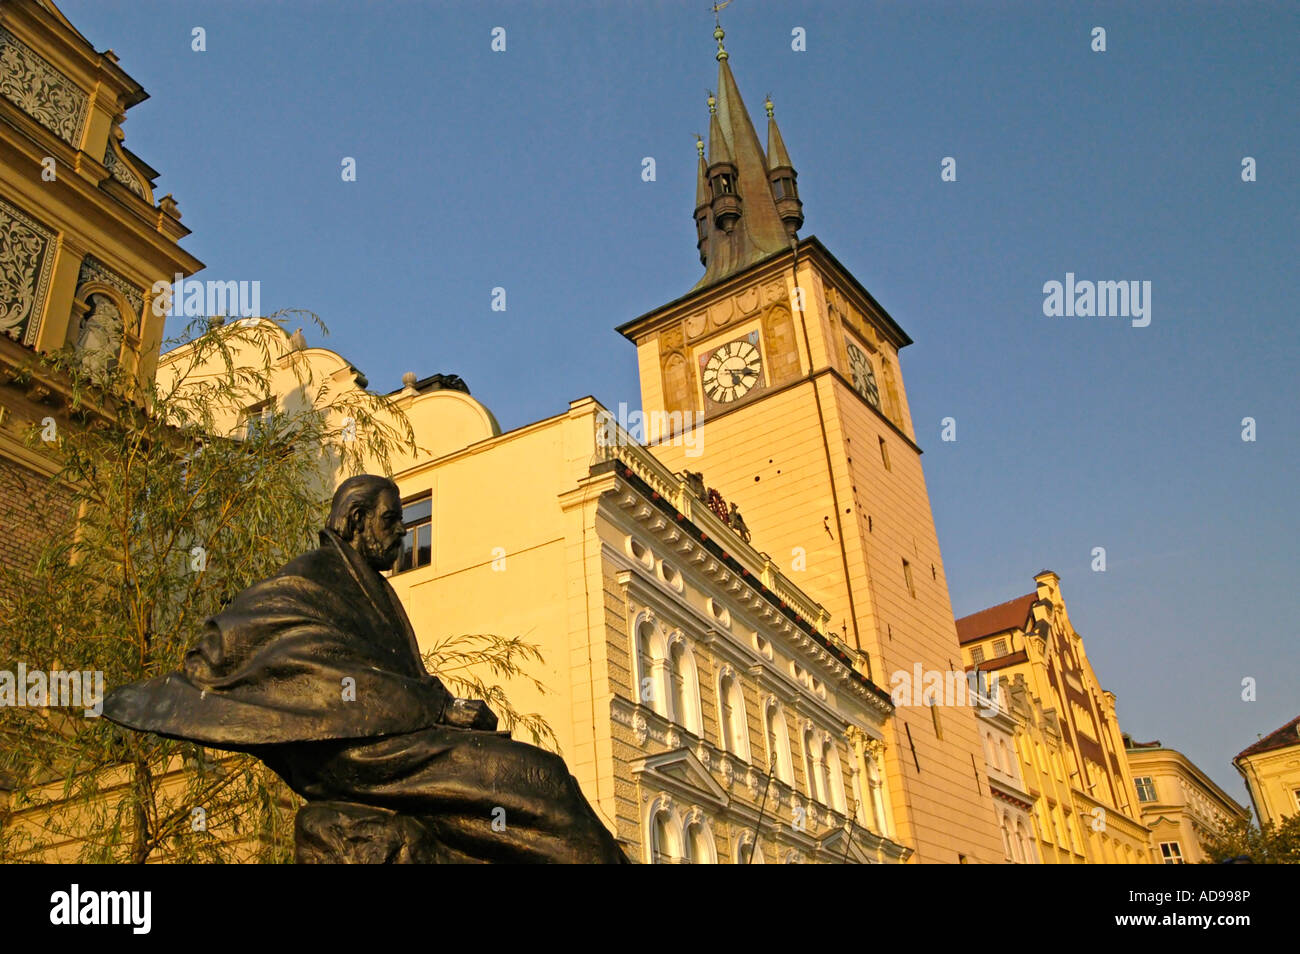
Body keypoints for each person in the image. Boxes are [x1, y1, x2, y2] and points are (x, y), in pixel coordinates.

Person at [103, 474, 627, 863]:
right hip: (353, 747)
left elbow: (393, 675)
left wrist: (449, 707)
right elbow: (281, 657)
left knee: (522, 786)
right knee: (538, 779)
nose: (402, 534)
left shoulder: (371, 587)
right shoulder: (315, 575)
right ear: (356, 521)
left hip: (395, 732)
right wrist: (438, 706)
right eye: (391, 521)